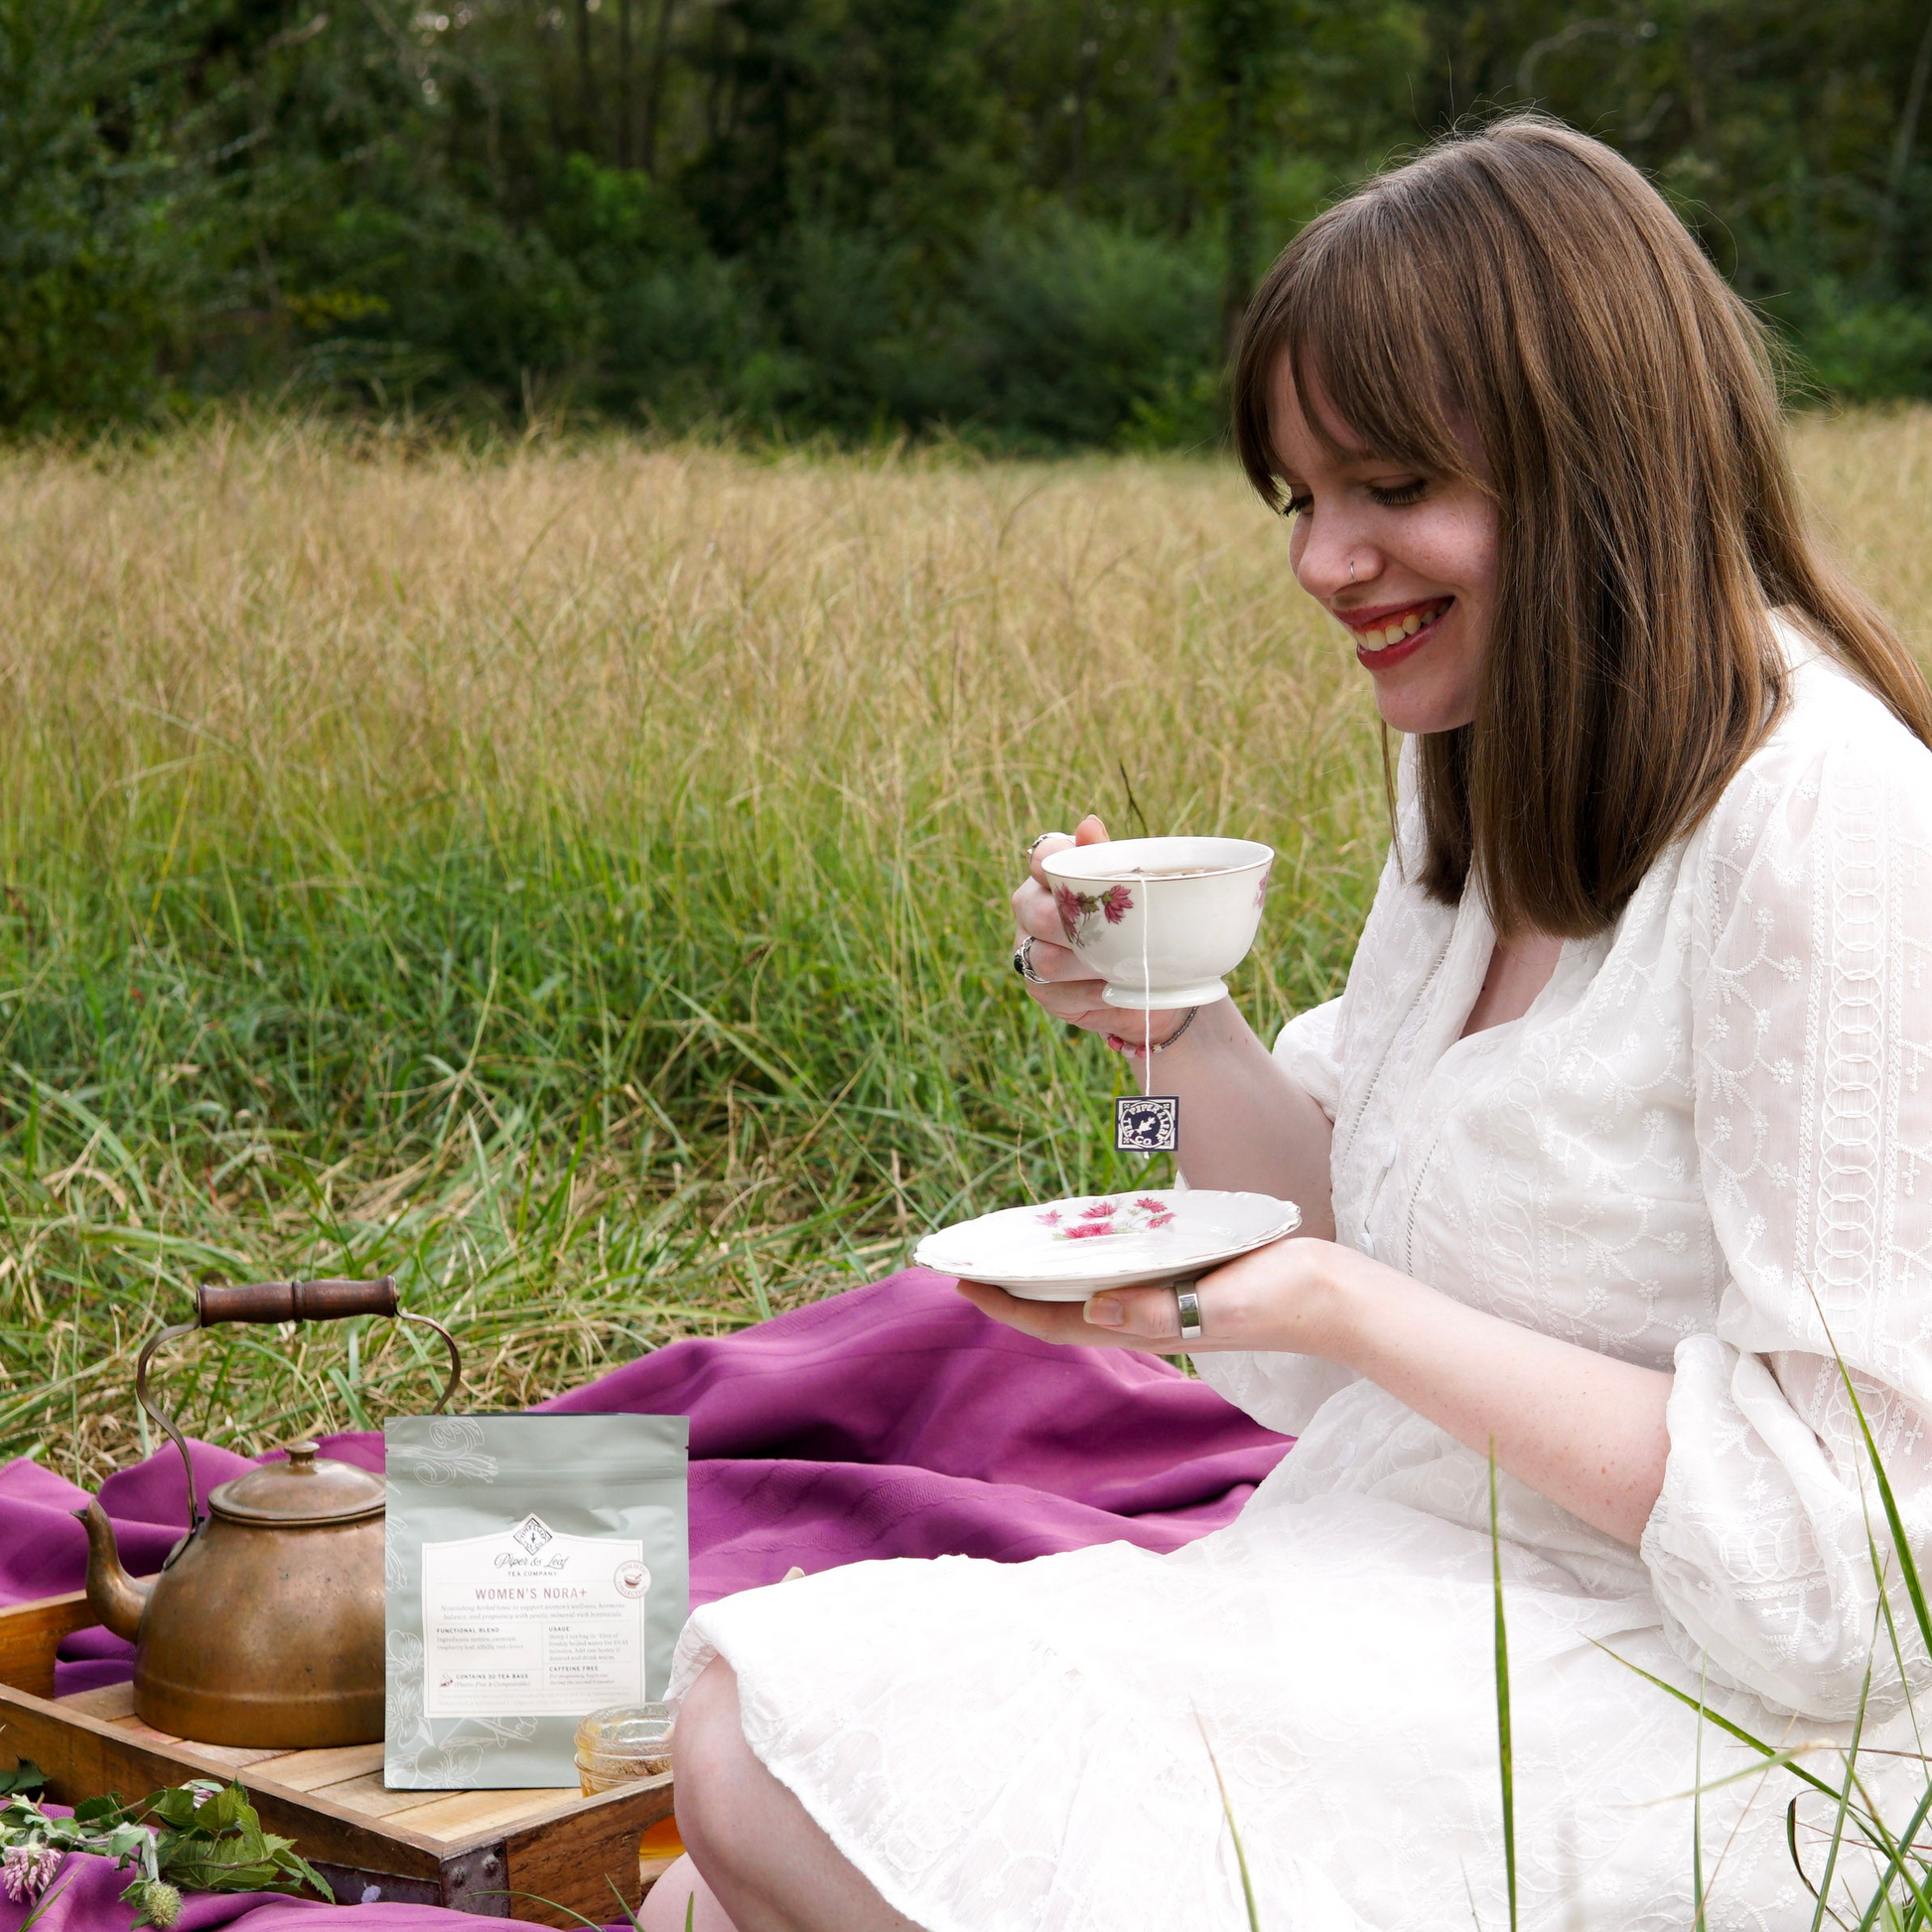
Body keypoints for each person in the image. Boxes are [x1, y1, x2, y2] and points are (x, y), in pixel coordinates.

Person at [641, 114, 1932, 1930]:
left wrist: (1342, 1305)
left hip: (1694, 1711)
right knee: (729, 1839)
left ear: (1599, 464)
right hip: (1374, 1587)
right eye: (1297, 499)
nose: (1326, 563)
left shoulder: (1830, 828)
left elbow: (1853, 1575)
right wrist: (1171, 1033)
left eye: (1389, 486)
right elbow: (1348, 1236)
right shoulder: (1477, 771)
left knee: (756, 1757)